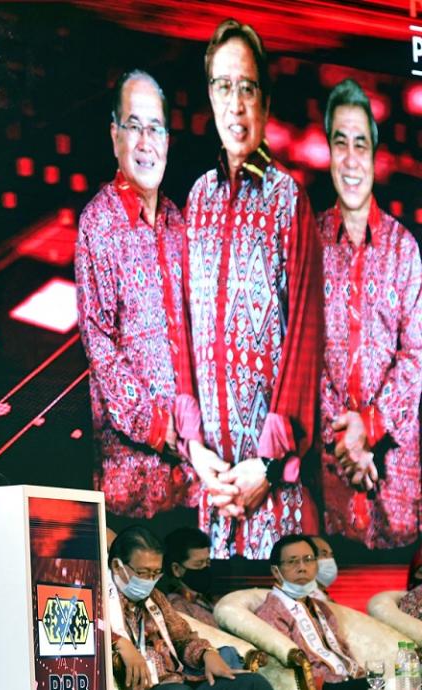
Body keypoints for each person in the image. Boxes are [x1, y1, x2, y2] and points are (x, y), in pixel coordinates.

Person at [184, 18, 323, 559]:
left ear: (265, 100)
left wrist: (266, 466)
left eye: (248, 88)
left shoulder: (290, 200)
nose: (236, 105)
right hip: (213, 486)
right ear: (210, 97)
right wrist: (195, 450)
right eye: (223, 87)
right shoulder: (197, 199)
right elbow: (185, 333)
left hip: (270, 488)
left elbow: (306, 342)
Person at [75, 69, 204, 519]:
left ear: (168, 139)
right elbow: (100, 346)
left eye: (155, 128)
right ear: (115, 137)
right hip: (133, 471)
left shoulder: (178, 221)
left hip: (192, 467)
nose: (145, 141)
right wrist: (160, 428)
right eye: (134, 126)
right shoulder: (99, 221)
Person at [318, 78, 422, 550]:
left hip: (394, 480)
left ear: (376, 155)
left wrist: (369, 429)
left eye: (361, 143)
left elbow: (416, 358)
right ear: (328, 152)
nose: (351, 157)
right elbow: (301, 359)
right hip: (330, 485)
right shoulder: (310, 243)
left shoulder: (405, 249)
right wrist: (346, 443)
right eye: (341, 142)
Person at [108, 526, 271, 690]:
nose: (150, 580)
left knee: (254, 683)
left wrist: (207, 653)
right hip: (148, 686)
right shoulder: (100, 597)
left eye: (156, 573)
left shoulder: (155, 597)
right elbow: (90, 632)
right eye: (143, 572)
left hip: (181, 678)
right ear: (117, 566)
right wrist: (120, 642)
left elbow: (182, 637)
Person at [256, 535, 365, 690]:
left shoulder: (321, 607)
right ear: (275, 571)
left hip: (348, 681)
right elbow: (285, 666)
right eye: (292, 561)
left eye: (308, 559)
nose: (302, 567)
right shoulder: (271, 612)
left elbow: (342, 649)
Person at [158, 528, 216, 628]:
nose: (205, 568)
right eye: (198, 564)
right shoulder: (176, 608)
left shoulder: (201, 599)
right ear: (176, 569)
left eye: (207, 562)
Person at [310, 536, 338, 601]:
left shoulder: (324, 597)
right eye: (324, 554)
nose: (330, 560)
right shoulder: (306, 599)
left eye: (331, 555)